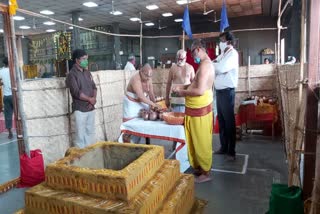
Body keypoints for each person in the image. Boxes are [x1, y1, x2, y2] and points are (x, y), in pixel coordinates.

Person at [173, 39, 214, 183]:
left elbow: (200, 90)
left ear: (198, 49)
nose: (192, 56)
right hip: (195, 106)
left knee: (201, 140)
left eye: (191, 53)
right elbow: (195, 84)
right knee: (196, 139)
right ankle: (199, 167)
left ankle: (205, 172)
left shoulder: (204, 66)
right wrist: (183, 88)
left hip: (199, 107)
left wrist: (182, 92)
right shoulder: (203, 64)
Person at [213, 31, 239, 161]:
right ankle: (223, 147)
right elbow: (215, 63)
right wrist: (214, 64)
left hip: (227, 91)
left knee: (229, 122)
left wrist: (213, 65)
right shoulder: (223, 54)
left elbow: (219, 68)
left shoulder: (233, 54)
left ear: (228, 42)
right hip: (219, 91)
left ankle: (231, 151)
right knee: (222, 121)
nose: (220, 43)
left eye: (222, 40)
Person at [66, 49, 97, 148]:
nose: (86, 61)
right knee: (80, 136)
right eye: (83, 59)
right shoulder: (72, 74)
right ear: (77, 60)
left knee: (90, 134)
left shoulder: (87, 72)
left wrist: (94, 99)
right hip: (80, 109)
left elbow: (94, 87)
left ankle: (90, 156)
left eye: (87, 59)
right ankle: (80, 159)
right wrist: (89, 99)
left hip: (90, 108)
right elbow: (76, 93)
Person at [0, 57, 13, 139]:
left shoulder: (1, 71)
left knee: (8, 115)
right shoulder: (13, 70)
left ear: (4, 63)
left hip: (6, 96)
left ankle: (10, 133)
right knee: (19, 114)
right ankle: (21, 131)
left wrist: (3, 83)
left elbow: (0, 82)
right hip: (14, 95)